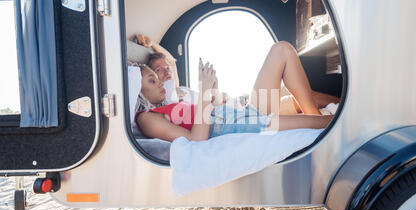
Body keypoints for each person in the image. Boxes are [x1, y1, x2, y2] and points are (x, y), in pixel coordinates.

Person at [135, 41, 336, 142]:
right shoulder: (147, 119)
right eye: (152, 80)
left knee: (282, 49)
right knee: (329, 123)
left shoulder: (170, 103)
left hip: (239, 113)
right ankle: (319, 118)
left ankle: (313, 114)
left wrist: (212, 90)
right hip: (235, 124)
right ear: (138, 89)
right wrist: (204, 92)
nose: (160, 82)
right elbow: (197, 140)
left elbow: (170, 63)